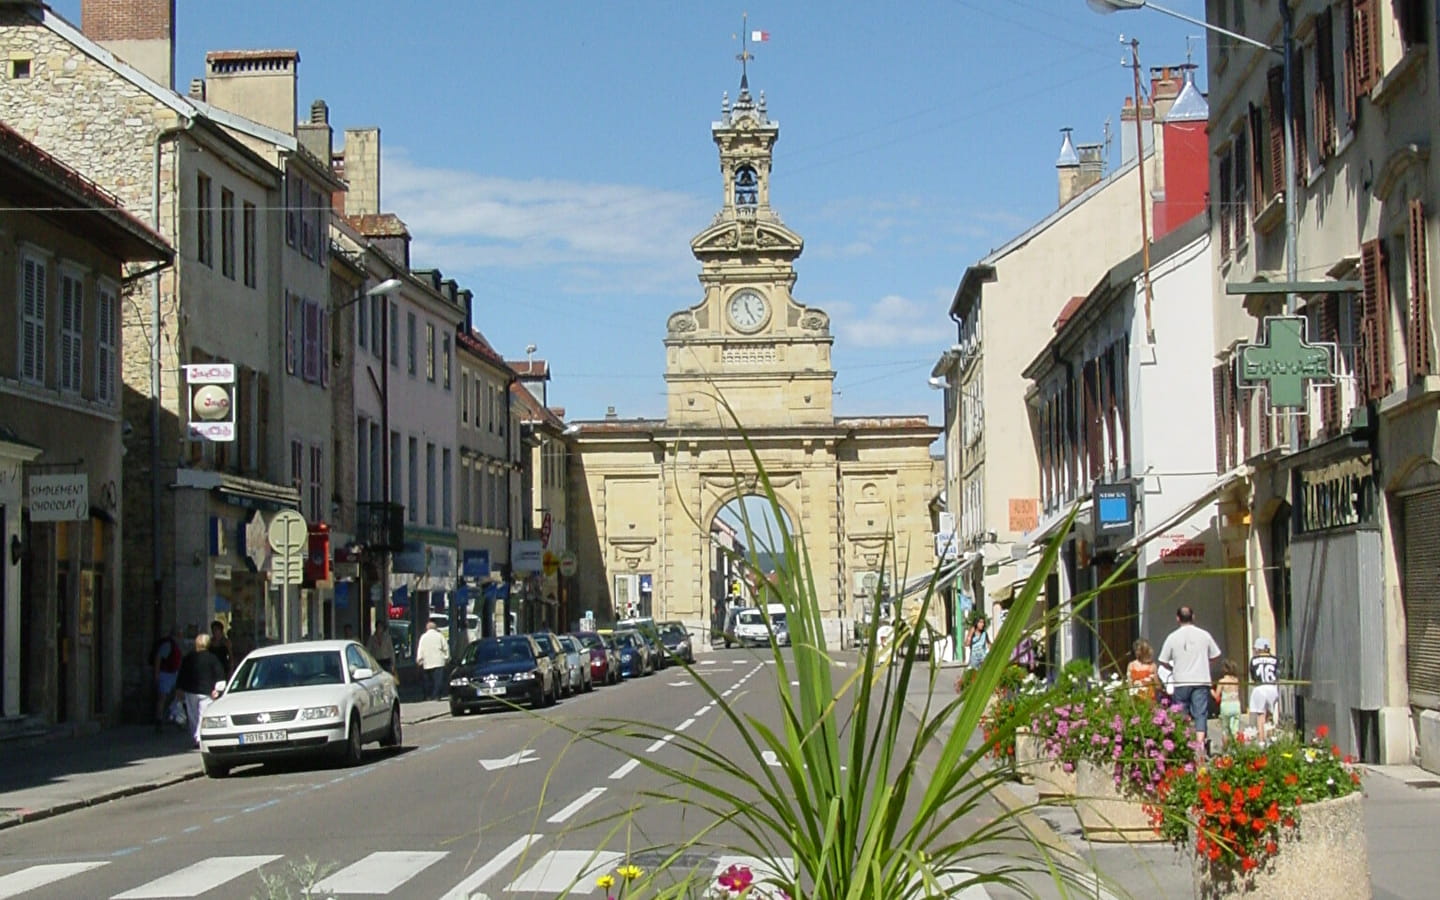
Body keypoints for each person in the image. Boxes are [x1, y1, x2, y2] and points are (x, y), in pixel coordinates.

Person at [1157, 606, 1222, 750]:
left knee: (1181, 713)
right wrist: (1206, 662)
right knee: (1200, 713)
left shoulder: (1172, 637)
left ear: (1177, 618)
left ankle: (1184, 742)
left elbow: (1162, 659)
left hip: (1181, 681)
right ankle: (1200, 745)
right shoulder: (1204, 635)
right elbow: (1216, 654)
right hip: (1201, 679)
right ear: (1193, 617)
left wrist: (1173, 668)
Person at [175, 633, 227, 748]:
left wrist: (179, 688)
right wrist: (218, 690)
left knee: (193, 716)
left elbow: (182, 673)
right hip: (207, 692)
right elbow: (219, 674)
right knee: (203, 715)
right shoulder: (213, 658)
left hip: (191, 690)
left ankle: (196, 737)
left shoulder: (189, 657)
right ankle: (200, 737)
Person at [152, 626, 183, 734]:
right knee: (162, 698)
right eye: (179, 633)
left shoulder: (175, 645)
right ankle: (159, 720)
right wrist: (156, 674)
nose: (181, 636)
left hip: (174, 674)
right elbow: (158, 658)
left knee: (178, 696)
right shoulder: (168, 645)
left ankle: (176, 718)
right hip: (165, 674)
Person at [1249, 637, 1280, 743]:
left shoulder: (1254, 660)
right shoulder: (1275, 659)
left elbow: (1253, 676)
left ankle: (1261, 740)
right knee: (1270, 714)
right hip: (1272, 687)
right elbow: (1277, 674)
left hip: (1260, 687)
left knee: (1260, 716)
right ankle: (1271, 737)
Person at [415, 619, 449, 701]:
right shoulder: (440, 636)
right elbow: (446, 648)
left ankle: (428, 696)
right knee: (438, 680)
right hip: (439, 662)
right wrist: (447, 658)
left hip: (427, 662)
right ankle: (436, 696)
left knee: (428, 681)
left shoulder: (423, 637)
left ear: (427, 628)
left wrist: (419, 659)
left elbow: (420, 649)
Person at [1213, 659, 1243, 742]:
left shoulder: (1222, 681)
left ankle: (1225, 752)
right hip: (1236, 705)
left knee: (1225, 730)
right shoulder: (1236, 680)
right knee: (1235, 730)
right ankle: (1236, 749)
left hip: (1226, 705)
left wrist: (1211, 691)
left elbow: (1217, 696)